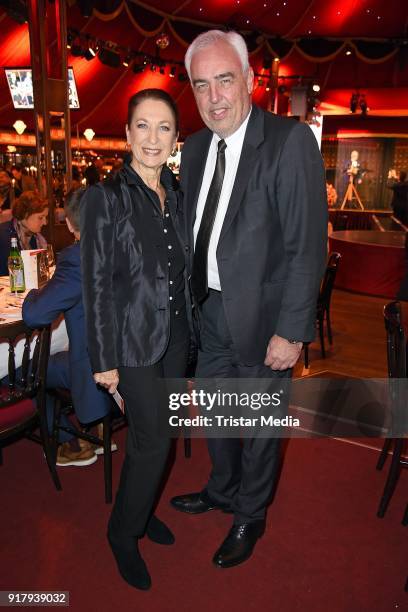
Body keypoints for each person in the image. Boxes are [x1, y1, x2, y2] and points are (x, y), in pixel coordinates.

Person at [170, 30, 328, 568]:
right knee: (214, 415)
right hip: (208, 312)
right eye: (201, 85)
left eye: (224, 80)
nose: (214, 97)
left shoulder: (289, 142)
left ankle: (250, 514)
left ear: (249, 81)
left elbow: (306, 246)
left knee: (259, 428)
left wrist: (293, 331)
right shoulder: (191, 149)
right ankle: (222, 488)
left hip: (265, 322)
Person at [80, 89, 190, 590]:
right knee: (152, 443)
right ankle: (123, 533)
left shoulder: (177, 192)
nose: (152, 138)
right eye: (142, 126)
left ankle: (139, 514)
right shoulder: (108, 198)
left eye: (163, 127)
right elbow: (96, 284)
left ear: (174, 138)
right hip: (132, 343)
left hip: (176, 339)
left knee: (157, 441)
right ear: (126, 135)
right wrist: (104, 360)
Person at [22, 188, 114, 467]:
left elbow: (36, 315)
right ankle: (92, 429)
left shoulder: (78, 257)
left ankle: (69, 441)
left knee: (24, 369)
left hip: (96, 366)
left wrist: (32, 294)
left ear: (70, 223)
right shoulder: (125, 243)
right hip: (125, 359)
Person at [0, 190, 48, 275]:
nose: (45, 222)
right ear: (25, 215)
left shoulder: (35, 238)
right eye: (40, 218)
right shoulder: (4, 237)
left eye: (45, 217)